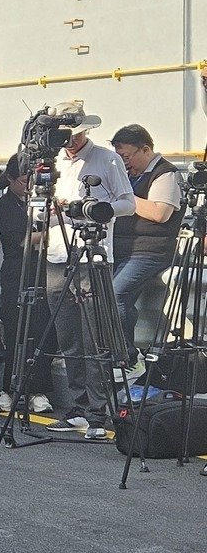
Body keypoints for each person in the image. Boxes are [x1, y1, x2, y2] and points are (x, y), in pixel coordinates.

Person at [44, 104, 135, 439]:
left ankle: (98, 412)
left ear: (83, 131)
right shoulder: (52, 159)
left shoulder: (106, 158)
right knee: (67, 336)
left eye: (72, 133)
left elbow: (129, 202)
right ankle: (79, 407)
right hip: (57, 252)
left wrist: (96, 211)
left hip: (93, 255)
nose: (67, 140)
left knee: (93, 335)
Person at [109, 124, 183, 376]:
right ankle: (117, 353)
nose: (124, 163)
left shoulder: (165, 174)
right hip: (121, 247)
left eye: (127, 157)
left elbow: (160, 213)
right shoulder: (128, 174)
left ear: (146, 149)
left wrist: (124, 195)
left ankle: (128, 358)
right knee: (103, 297)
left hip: (150, 250)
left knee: (115, 295)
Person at [0, 154, 55, 415]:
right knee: (16, 330)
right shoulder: (5, 205)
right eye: (25, 179)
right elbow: (20, 241)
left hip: (43, 270)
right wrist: (53, 231)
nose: (30, 185)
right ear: (10, 179)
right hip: (16, 272)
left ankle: (38, 390)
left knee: (42, 331)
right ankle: (8, 388)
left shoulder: (46, 202)